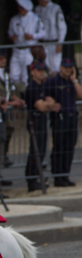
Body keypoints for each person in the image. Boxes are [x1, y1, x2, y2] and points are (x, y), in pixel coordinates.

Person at [45, 58, 82, 186]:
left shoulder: (72, 82)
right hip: (60, 118)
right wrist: (50, 104)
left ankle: (65, 175)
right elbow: (45, 94)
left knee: (69, 148)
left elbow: (80, 95)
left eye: (70, 67)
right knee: (59, 148)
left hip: (72, 118)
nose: (68, 69)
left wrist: (75, 80)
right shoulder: (53, 81)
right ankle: (58, 176)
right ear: (60, 67)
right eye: (66, 67)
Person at [24, 60, 58, 191]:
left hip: (42, 120)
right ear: (32, 72)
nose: (41, 72)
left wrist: (48, 103)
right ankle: (31, 179)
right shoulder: (32, 87)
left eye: (42, 70)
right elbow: (42, 106)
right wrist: (49, 104)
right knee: (36, 151)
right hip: (35, 120)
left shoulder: (42, 86)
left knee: (41, 150)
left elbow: (51, 100)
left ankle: (36, 177)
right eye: (38, 70)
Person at [0, 48, 25, 170]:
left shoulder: (6, 75)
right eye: (0, 58)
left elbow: (11, 89)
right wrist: (12, 102)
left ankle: (2, 158)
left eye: (4, 58)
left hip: (6, 111)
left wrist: (17, 100)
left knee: (8, 131)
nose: (3, 60)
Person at [8, 0, 46, 86]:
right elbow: (10, 31)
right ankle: (16, 94)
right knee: (14, 74)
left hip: (28, 49)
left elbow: (43, 33)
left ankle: (27, 94)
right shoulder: (14, 19)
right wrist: (12, 36)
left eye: (22, 8)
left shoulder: (35, 19)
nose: (20, 9)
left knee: (26, 75)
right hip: (17, 49)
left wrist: (33, 36)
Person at [33, 0, 66, 74]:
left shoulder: (55, 9)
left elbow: (62, 27)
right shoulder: (37, 9)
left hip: (54, 42)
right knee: (44, 66)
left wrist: (60, 43)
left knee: (55, 66)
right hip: (42, 43)